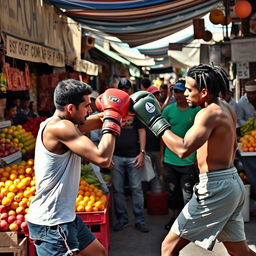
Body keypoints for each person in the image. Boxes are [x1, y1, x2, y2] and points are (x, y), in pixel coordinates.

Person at [130, 64, 256, 256]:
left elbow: (182, 149)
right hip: (230, 182)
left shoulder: (209, 113)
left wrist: (156, 121)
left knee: (168, 247)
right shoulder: (225, 107)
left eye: (189, 89)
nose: (185, 94)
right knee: (241, 252)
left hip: (217, 187)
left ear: (204, 92)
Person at [26, 79, 130, 256]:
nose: (89, 110)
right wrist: (113, 119)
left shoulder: (58, 122)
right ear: (71, 108)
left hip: (66, 218)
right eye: (86, 106)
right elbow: (103, 158)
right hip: (53, 223)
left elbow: (96, 120)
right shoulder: (61, 127)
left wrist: (122, 111)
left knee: (98, 253)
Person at [161, 80, 200, 231]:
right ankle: (175, 218)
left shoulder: (196, 111)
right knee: (172, 193)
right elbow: (162, 134)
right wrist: (162, 155)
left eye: (180, 91)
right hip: (170, 160)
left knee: (187, 195)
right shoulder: (168, 110)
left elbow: (202, 137)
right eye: (175, 92)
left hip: (189, 161)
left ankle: (187, 222)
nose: (178, 95)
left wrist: (198, 156)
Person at [111, 78, 149, 233]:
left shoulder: (135, 108)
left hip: (133, 156)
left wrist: (142, 152)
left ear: (131, 91)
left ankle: (139, 220)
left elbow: (141, 131)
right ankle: (122, 219)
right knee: (118, 190)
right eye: (122, 89)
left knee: (136, 189)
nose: (125, 91)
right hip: (116, 156)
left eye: (127, 89)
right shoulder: (112, 108)